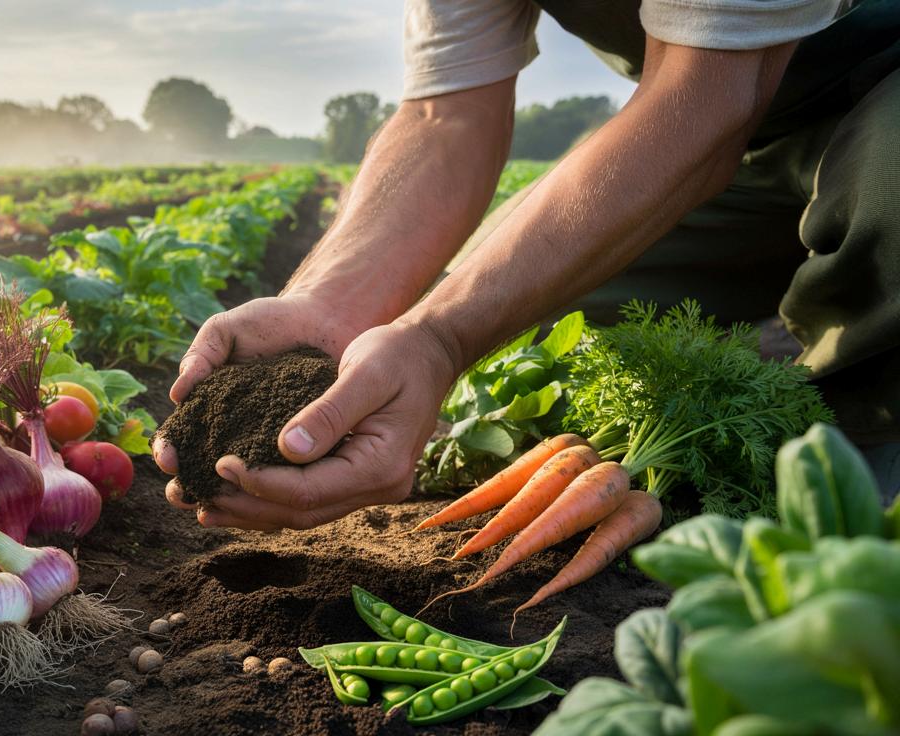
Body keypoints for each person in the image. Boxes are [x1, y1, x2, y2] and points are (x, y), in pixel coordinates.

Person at [154, 0, 900, 530]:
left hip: (858, 88)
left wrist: (439, 337)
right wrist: (326, 311)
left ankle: (855, 508)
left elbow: (706, 95)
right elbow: (446, 117)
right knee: (543, 326)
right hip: (747, 127)